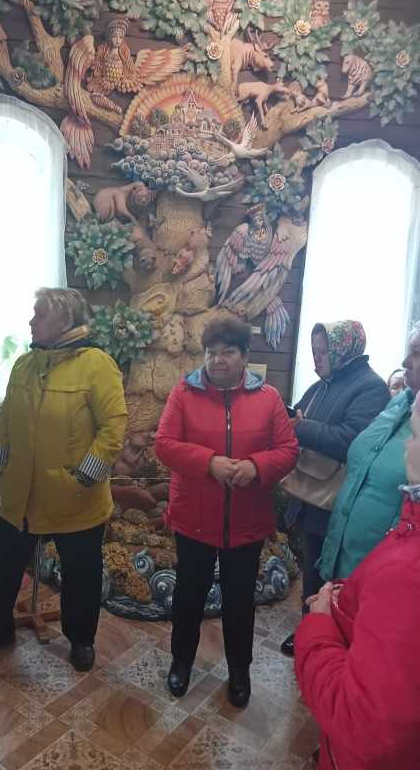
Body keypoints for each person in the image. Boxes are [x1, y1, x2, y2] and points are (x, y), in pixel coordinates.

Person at [0, 288, 127, 672]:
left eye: (39, 315)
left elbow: (113, 426)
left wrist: (86, 475)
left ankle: (81, 639)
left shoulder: (98, 365)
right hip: (19, 494)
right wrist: (1, 467)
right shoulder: (24, 364)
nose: (31, 321)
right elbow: (6, 418)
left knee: (81, 574)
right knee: (4, 568)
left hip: (75, 494)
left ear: (65, 320)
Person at [155, 315, 298, 705]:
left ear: (245, 356)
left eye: (228, 352)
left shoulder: (268, 398)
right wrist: (209, 462)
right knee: (189, 595)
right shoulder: (184, 393)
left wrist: (256, 467)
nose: (217, 360)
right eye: (211, 352)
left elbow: (288, 450)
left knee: (239, 600)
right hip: (194, 518)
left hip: (247, 521)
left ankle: (239, 670)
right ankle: (181, 661)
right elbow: (164, 444)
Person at [294, 389, 420, 770]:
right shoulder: (391, 403)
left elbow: (365, 725)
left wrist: (318, 628)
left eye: (415, 435)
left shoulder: (407, 575)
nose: (406, 445)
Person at [280, 321, 389, 656]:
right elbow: (299, 416)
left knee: (325, 574)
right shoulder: (323, 385)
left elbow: (351, 441)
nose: (317, 359)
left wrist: (302, 426)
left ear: (343, 348)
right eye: (314, 352)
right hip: (310, 492)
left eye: (323, 352)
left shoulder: (371, 388)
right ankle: (311, 630)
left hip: (335, 501)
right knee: (311, 569)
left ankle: (322, 641)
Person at [318, 322, 420, 583]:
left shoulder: (369, 387)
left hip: (386, 578)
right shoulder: (400, 402)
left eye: (417, 353)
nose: (405, 362)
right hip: (342, 559)